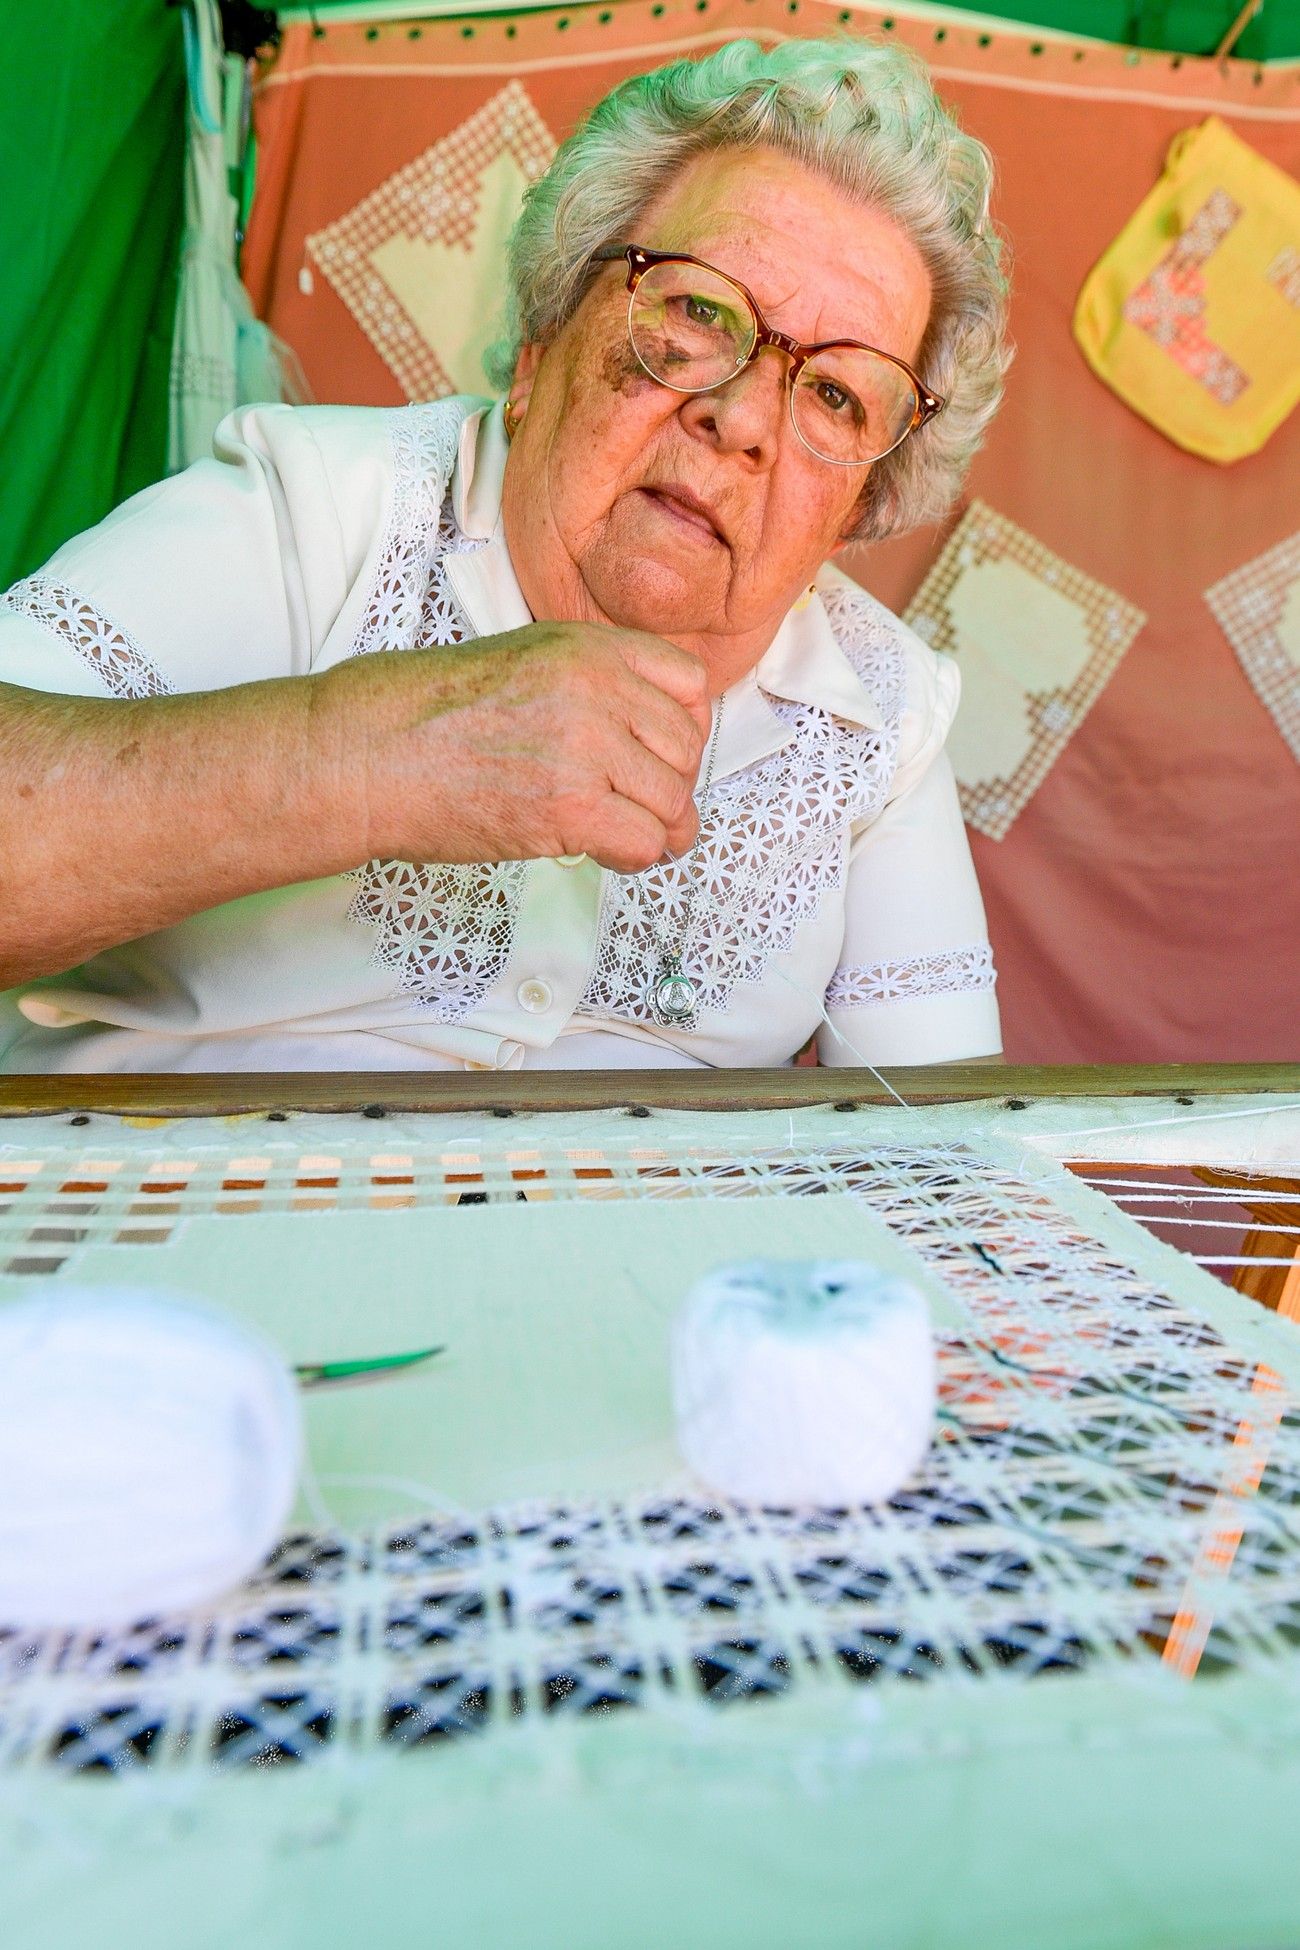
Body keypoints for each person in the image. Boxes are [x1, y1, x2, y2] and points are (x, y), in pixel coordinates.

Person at [0, 35, 1009, 1075]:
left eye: (837, 395)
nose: (743, 417)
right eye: (699, 314)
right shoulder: (317, 509)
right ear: (540, 350)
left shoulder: (878, 713)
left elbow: (941, 1154)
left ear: (853, 514)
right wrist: (374, 753)